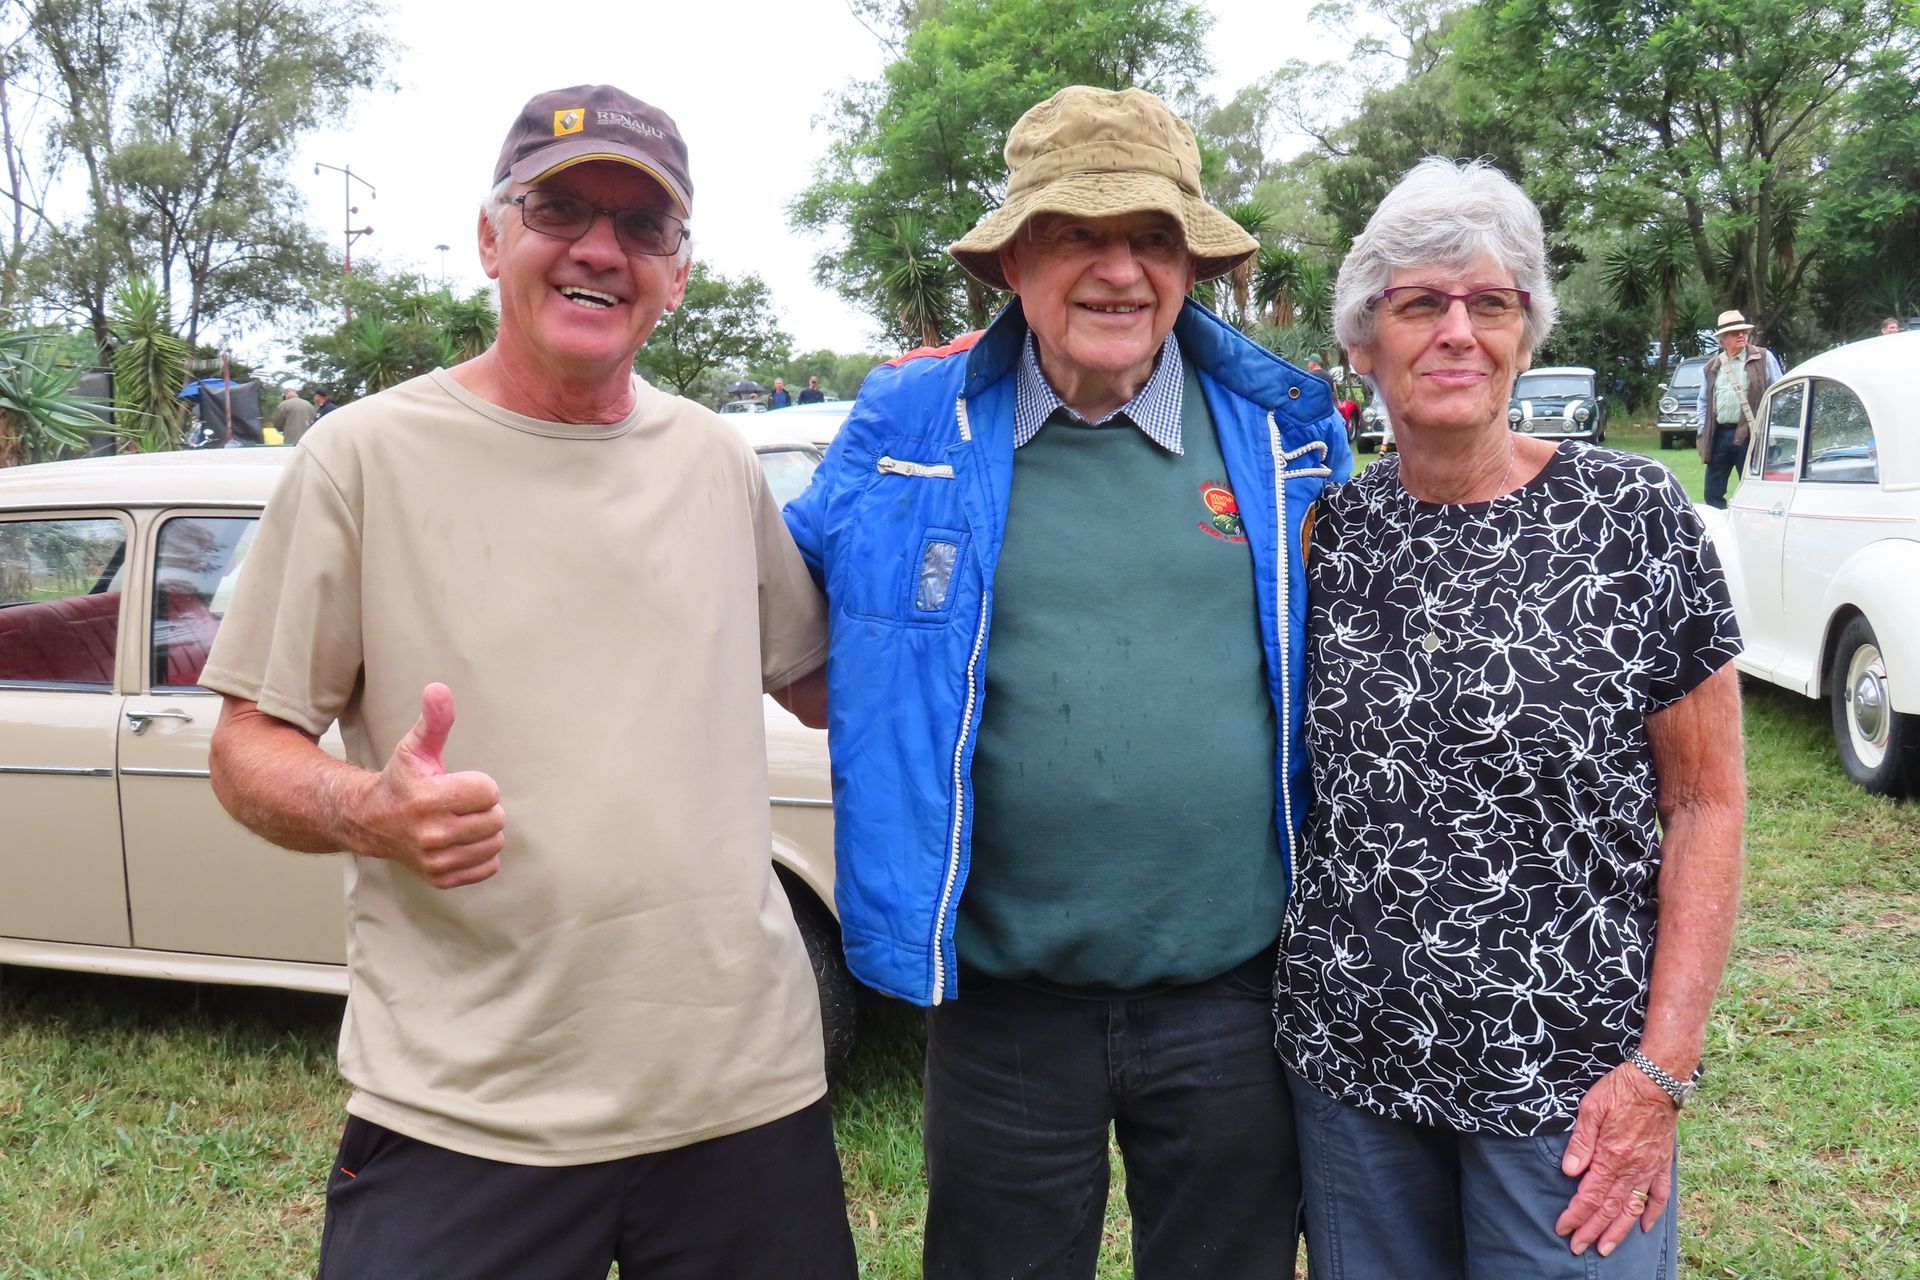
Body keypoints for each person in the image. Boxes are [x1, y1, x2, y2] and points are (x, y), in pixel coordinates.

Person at [201, 84, 855, 1280]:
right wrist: (369, 808)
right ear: (491, 236)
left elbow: (823, 686)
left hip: (741, 1093)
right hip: (466, 1103)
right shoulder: (360, 458)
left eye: (641, 224)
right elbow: (246, 742)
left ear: (677, 272)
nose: (600, 247)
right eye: (560, 209)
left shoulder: (716, 461)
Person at [785, 84, 1350, 1279]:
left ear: (1190, 265)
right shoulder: (911, 422)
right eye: (1078, 234)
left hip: (1232, 986)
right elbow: (781, 611)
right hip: (1003, 995)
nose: (1120, 271)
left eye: (1152, 237)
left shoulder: (1281, 431)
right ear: (1014, 262)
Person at [1278, 157, 1746, 1279]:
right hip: (1353, 1067)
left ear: (1524, 335)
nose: (1458, 331)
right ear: (1363, 342)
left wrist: (1661, 1071)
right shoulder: (1325, 533)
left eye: (1490, 303)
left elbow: (1706, 802)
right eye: (1419, 304)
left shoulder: (1631, 516)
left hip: (1572, 1082)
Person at [1696, 309, 1782, 508]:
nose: (1741, 335)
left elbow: (1779, 393)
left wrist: (1766, 422)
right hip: (1719, 435)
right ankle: (1721, 525)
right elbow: (1703, 401)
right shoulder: (1712, 366)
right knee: (1712, 493)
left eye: (1744, 331)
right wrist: (1702, 428)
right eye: (1735, 333)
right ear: (1722, 339)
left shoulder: (1763, 357)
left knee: (1754, 492)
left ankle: (1754, 525)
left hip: (1751, 435)